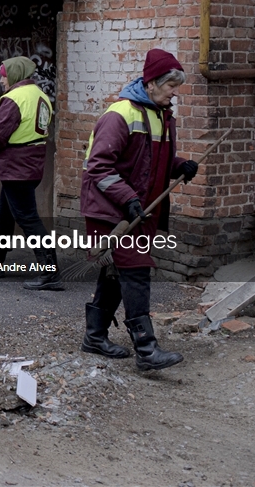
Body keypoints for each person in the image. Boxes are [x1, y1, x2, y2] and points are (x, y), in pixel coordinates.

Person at [79, 48, 197, 371]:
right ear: (152, 83)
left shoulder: (162, 116)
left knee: (117, 274)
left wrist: (179, 166)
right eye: (171, 85)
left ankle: (94, 335)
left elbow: (152, 163)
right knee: (136, 269)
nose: (175, 92)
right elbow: (98, 167)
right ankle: (146, 348)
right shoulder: (120, 115)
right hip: (109, 209)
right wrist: (128, 198)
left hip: (136, 210)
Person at [0, 56, 61, 290]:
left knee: (27, 217)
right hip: (31, 163)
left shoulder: (14, 98)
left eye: (4, 75)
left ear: (14, 75)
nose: (1, 80)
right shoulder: (40, 96)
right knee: (4, 212)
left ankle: (49, 270)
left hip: (16, 165)